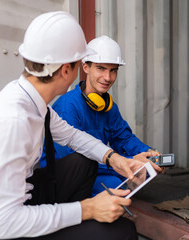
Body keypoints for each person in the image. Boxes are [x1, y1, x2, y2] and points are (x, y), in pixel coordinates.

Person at [0, 11, 142, 240]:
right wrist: (88, 209)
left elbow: (73, 137)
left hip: (14, 203)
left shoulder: (33, 101)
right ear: (66, 70)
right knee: (122, 233)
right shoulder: (11, 122)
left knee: (83, 163)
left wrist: (113, 158)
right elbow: (5, 224)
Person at [40, 35, 162, 196]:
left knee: (144, 170)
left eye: (113, 70)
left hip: (100, 165)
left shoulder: (108, 107)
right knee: (116, 183)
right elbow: (72, 160)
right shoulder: (67, 107)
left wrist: (148, 154)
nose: (108, 78)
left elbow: (124, 138)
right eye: (101, 68)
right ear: (85, 67)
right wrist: (128, 163)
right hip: (65, 173)